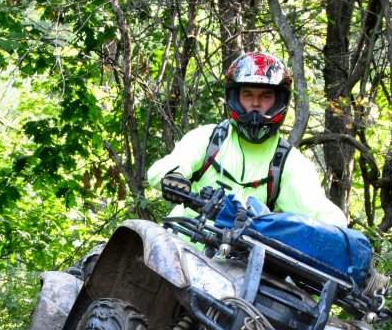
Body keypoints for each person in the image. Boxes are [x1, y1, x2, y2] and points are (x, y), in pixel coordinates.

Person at [147, 50, 347, 227]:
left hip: (238, 264)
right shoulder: (209, 138)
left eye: (266, 96)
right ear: (235, 97)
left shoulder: (289, 163)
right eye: (247, 94)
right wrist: (174, 177)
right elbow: (163, 168)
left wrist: (341, 233)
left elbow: (319, 210)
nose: (255, 104)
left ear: (280, 101)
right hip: (178, 245)